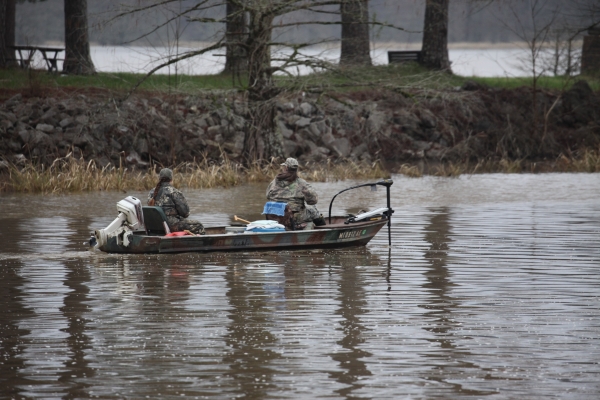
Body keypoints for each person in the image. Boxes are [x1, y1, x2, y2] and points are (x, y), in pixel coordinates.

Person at [265, 158, 321, 230]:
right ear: (296, 169)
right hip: (295, 219)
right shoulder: (302, 183)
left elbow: (268, 196)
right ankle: (322, 227)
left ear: (286, 168)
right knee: (313, 209)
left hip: (275, 218)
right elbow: (313, 201)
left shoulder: (274, 182)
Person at [147, 168, 205, 235]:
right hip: (171, 226)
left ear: (159, 178)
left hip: (155, 225)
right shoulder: (174, 192)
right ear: (171, 179)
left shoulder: (151, 192)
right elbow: (185, 213)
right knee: (199, 226)